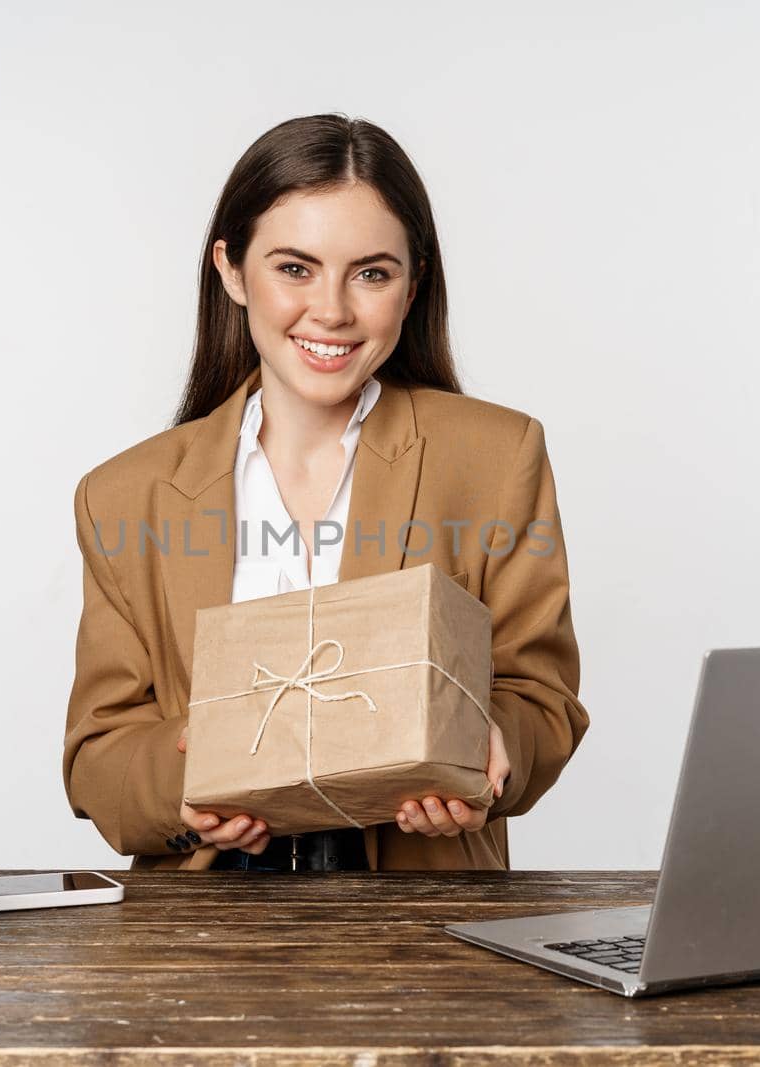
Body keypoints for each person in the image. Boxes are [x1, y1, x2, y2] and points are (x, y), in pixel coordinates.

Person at [64, 113, 589, 872]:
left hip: (418, 921)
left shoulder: (495, 457)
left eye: (372, 272)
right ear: (233, 271)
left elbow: (542, 696)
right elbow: (96, 752)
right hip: (203, 935)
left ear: (413, 287)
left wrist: (491, 746)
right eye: (295, 268)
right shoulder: (124, 496)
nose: (333, 310)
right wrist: (187, 787)